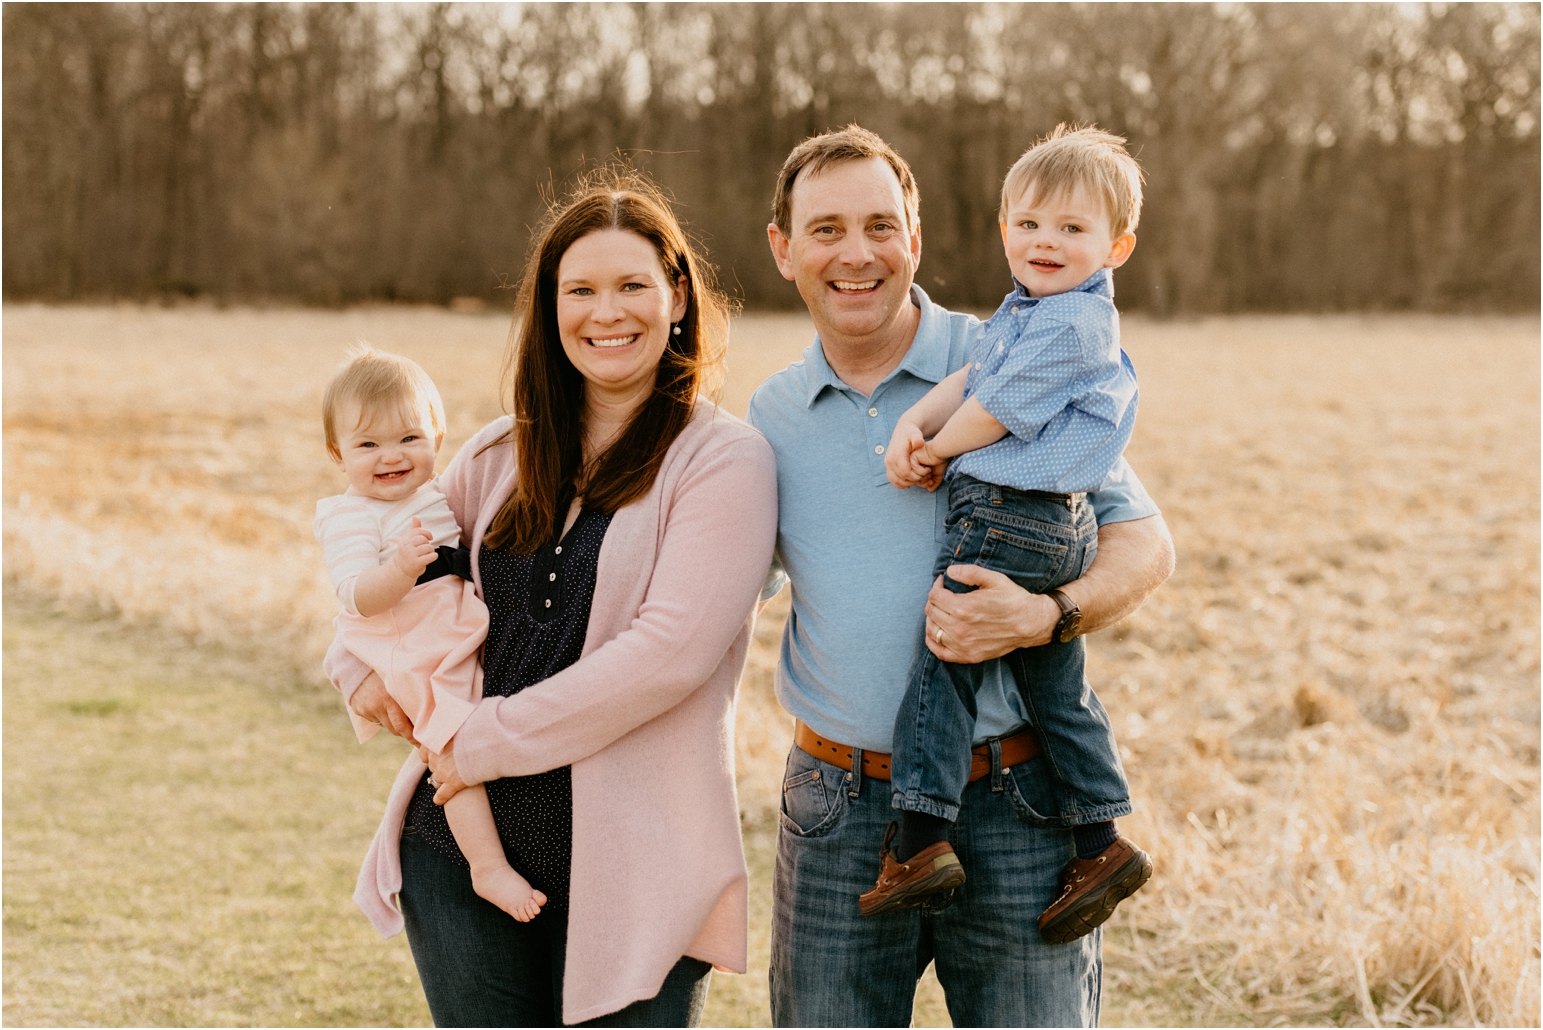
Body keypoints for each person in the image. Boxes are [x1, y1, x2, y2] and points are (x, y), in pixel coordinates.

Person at [327, 172, 778, 1027]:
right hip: (465, 853)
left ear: (676, 297)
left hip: (641, 868)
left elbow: (668, 655)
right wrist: (351, 670)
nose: (606, 312)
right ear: (551, 308)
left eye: (631, 286)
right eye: (580, 290)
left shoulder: (723, 462)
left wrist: (480, 742)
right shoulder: (497, 456)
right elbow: (383, 570)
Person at [748, 125, 1174, 1027]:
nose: (855, 253)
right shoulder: (770, 417)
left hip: (1018, 801)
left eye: (879, 226)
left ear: (917, 237)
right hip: (838, 807)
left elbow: (1143, 547)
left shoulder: (1023, 348)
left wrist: (1046, 615)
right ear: (783, 249)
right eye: (825, 230)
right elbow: (700, 596)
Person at [863, 125, 1153, 945]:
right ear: (1002, 229)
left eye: (1071, 229)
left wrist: (937, 448)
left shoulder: (1073, 325)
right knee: (1054, 688)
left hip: (1007, 513)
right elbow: (969, 379)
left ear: (1115, 246)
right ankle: (1098, 843)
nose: (1045, 242)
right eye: (1028, 224)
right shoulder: (1027, 313)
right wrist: (911, 426)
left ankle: (919, 840)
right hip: (1049, 523)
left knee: (945, 657)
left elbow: (998, 410)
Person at [315, 347, 546, 923]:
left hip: (447, 625)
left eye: (409, 438)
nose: (391, 456)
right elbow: (352, 595)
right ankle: (487, 866)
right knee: (450, 744)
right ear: (337, 454)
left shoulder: (435, 491)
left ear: (438, 438)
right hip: (406, 640)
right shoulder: (349, 516)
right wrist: (398, 571)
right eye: (368, 445)